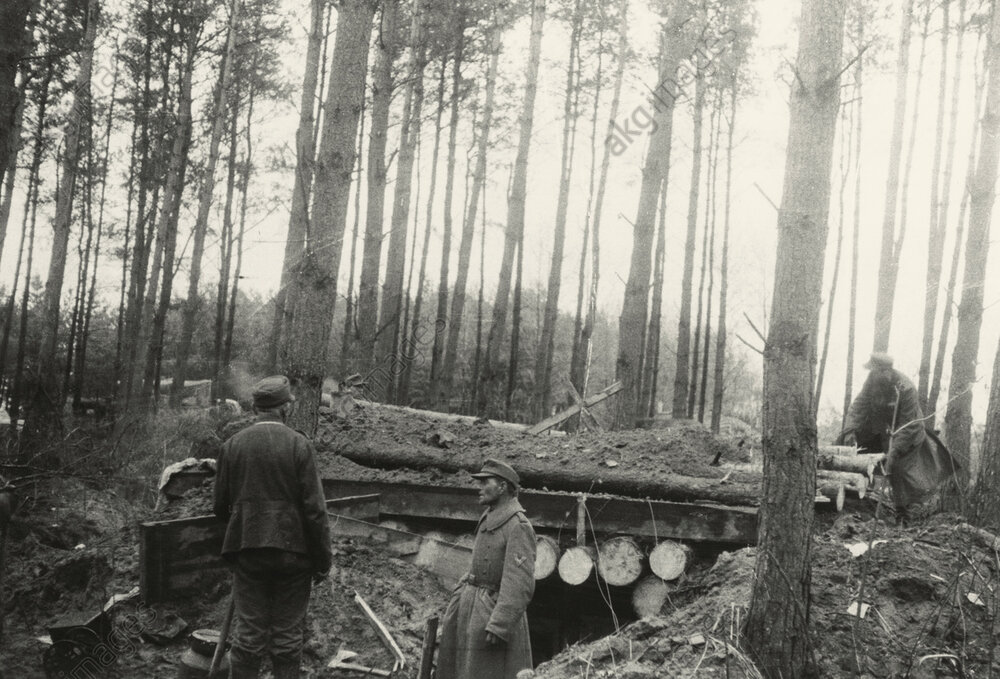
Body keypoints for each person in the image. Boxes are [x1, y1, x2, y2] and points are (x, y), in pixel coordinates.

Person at [214, 375, 332, 679]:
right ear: (285, 408)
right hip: (293, 554)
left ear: (256, 408)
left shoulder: (231, 446)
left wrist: (245, 531)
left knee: (248, 635)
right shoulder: (299, 445)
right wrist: (322, 561)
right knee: (288, 637)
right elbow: (315, 511)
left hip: (248, 550)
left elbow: (220, 507)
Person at [437, 459, 536, 679]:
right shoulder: (489, 517)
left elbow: (519, 583)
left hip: (492, 615)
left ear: (502, 487)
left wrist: (500, 624)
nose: (479, 488)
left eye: (485, 482)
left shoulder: (518, 526)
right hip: (472, 608)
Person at [839, 353, 958, 522]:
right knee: (850, 448)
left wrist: (894, 450)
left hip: (908, 432)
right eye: (872, 371)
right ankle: (856, 496)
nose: (873, 374)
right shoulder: (872, 380)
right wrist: (850, 430)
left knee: (898, 468)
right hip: (882, 428)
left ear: (886, 371)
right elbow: (858, 406)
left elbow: (907, 425)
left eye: (876, 371)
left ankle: (904, 513)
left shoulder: (906, 388)